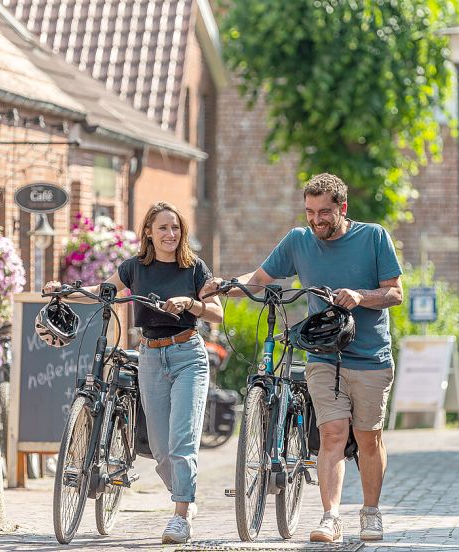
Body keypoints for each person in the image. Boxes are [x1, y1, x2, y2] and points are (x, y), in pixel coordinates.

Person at [203, 173, 403, 543]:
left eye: (324, 212)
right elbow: (262, 278)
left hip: (371, 356)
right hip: (324, 354)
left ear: (342, 208)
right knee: (331, 434)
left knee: (368, 436)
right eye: (310, 212)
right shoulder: (298, 241)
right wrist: (230, 284)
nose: (316, 220)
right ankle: (330, 517)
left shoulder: (373, 236)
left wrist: (360, 297)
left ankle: (371, 511)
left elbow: (395, 294)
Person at [44, 202, 222, 544]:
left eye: (176, 228)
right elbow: (103, 292)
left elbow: (217, 313)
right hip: (151, 357)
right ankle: (186, 493)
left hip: (188, 355)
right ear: (149, 234)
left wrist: (191, 303)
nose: (171, 234)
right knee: (160, 448)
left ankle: (180, 515)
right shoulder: (134, 267)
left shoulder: (195, 268)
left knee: (182, 442)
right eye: (163, 228)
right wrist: (65, 292)